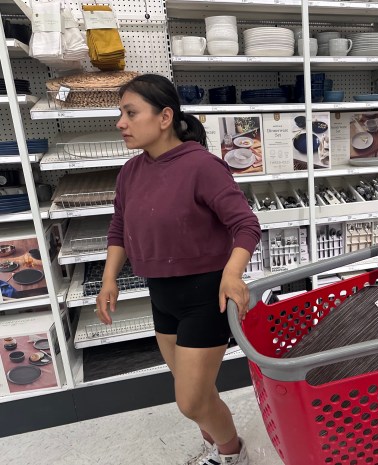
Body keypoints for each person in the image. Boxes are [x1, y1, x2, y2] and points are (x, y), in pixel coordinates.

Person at [95, 74, 261, 465]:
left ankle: (232, 452)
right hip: (162, 295)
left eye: (131, 113)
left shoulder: (202, 166)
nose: (121, 122)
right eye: (121, 113)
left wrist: (232, 274)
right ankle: (218, 443)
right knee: (198, 394)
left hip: (206, 296)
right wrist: (108, 279)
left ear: (165, 116)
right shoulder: (131, 172)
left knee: (189, 401)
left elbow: (246, 225)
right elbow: (119, 226)